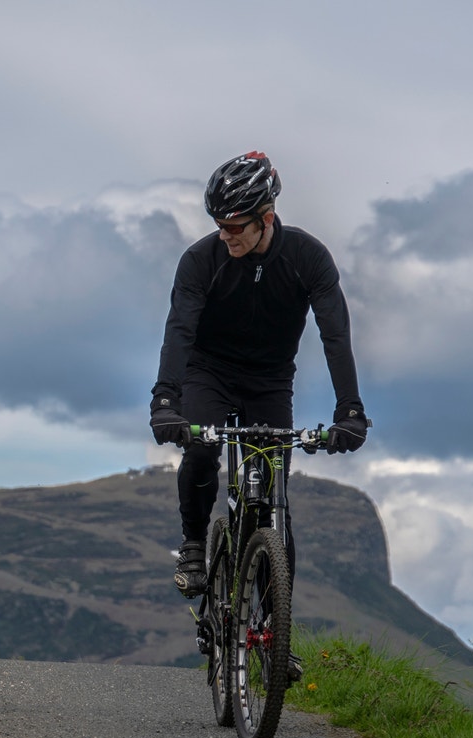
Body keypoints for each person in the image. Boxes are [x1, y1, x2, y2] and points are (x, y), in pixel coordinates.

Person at [150, 151, 370, 598]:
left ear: (265, 218)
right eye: (219, 225)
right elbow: (180, 330)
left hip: (270, 380)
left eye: (234, 227)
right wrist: (165, 400)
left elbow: (335, 335)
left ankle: (273, 626)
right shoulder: (200, 261)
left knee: (274, 502)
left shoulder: (307, 258)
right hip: (208, 372)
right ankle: (193, 543)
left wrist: (350, 409)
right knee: (200, 451)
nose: (224, 235)